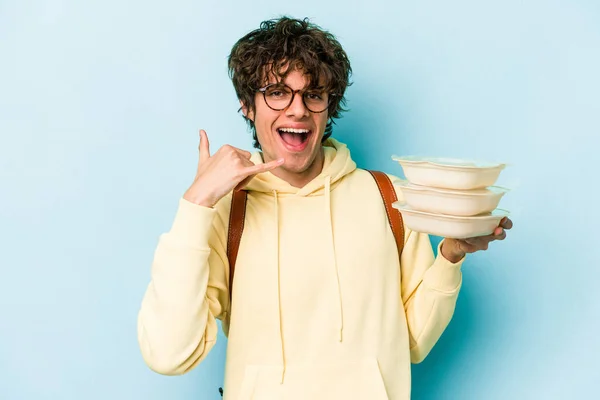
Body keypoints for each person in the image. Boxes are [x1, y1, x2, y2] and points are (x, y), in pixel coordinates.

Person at [137, 16, 512, 400]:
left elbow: (413, 342)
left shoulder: (389, 197)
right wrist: (196, 203)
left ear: (328, 108)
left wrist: (449, 257)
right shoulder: (225, 211)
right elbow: (169, 354)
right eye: (277, 92)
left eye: (313, 94)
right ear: (247, 106)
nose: (297, 110)